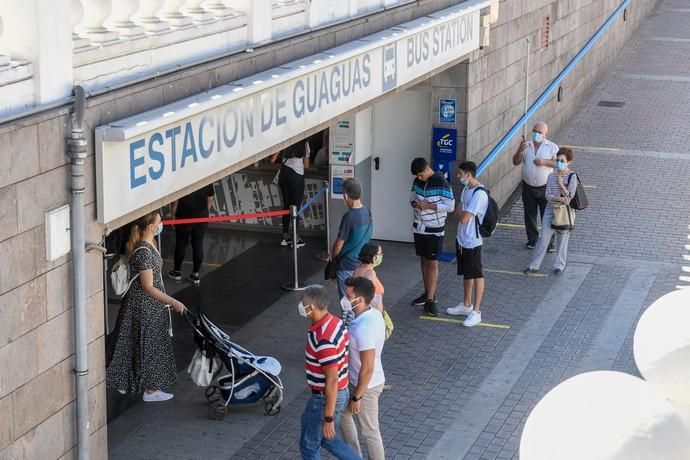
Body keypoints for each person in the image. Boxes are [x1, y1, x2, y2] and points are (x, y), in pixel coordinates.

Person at [107, 211, 186, 402]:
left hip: (148, 306)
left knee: (135, 345)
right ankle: (149, 390)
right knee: (145, 346)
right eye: (159, 221)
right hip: (144, 307)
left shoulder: (149, 244)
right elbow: (148, 286)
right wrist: (172, 301)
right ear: (151, 227)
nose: (161, 224)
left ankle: (137, 384)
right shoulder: (144, 251)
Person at [298, 285, 361, 460]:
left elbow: (331, 379)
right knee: (328, 439)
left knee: (309, 445)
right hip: (339, 392)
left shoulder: (323, 338)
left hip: (324, 397)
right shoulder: (335, 322)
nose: (300, 306)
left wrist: (328, 417)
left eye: (303, 303)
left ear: (311, 307)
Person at [340, 277, 386, 460]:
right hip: (365, 382)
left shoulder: (363, 328)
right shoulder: (372, 312)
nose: (344, 298)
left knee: (370, 431)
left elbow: (367, 367)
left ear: (359, 300)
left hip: (366, 386)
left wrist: (357, 396)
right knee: (343, 416)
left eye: (348, 295)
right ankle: (353, 455)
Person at [409, 157, 455, 316]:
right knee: (423, 259)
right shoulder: (417, 181)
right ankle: (428, 292)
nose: (419, 178)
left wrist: (428, 206)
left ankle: (431, 300)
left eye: (421, 175)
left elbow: (450, 206)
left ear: (428, 169)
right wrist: (415, 203)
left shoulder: (442, 182)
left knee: (433, 262)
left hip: (434, 229)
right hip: (419, 227)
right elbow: (412, 196)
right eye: (417, 176)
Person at [446, 161, 488, 328]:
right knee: (466, 273)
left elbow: (463, 217)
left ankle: (476, 311)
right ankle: (466, 303)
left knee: (477, 274)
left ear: (468, 175)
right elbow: (458, 209)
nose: (458, 176)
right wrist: (461, 212)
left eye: (460, 173)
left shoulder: (479, 194)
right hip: (462, 238)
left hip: (473, 240)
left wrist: (461, 213)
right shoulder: (466, 189)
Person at [524, 148, 578, 275]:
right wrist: (558, 198)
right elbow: (547, 195)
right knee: (543, 238)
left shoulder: (572, 177)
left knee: (562, 239)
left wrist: (561, 184)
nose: (559, 163)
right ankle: (534, 265)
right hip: (550, 210)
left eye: (562, 161)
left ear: (568, 162)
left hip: (564, 213)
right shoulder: (551, 175)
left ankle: (559, 265)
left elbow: (569, 197)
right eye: (557, 160)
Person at [331, 179, 372, 326]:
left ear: (346, 196)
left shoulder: (348, 217)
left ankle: (349, 334)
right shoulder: (367, 211)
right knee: (360, 300)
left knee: (348, 304)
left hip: (346, 265)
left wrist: (333, 257)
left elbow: (339, 244)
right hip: (361, 265)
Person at [512, 122, 559, 251]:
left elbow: (560, 165)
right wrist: (519, 150)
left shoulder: (552, 147)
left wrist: (544, 162)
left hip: (545, 187)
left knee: (547, 215)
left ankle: (549, 243)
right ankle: (532, 239)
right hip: (528, 187)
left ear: (545, 134)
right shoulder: (526, 146)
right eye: (535, 131)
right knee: (529, 214)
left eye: (540, 132)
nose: (536, 134)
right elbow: (515, 162)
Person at [168, 184, 215, 285]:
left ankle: (177, 272)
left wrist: (172, 217)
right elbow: (210, 198)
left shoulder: (182, 178)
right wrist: (205, 213)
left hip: (183, 215)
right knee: (198, 243)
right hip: (201, 215)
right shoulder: (205, 177)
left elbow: (174, 201)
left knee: (181, 243)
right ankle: (195, 275)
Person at [271, 141, 310, 248]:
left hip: (284, 175)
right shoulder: (305, 143)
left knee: (286, 205)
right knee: (295, 207)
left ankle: (285, 236)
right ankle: (295, 238)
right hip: (297, 176)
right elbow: (306, 165)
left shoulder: (284, 140)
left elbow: (272, 160)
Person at [353, 243, 385, 312]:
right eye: (380, 254)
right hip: (372, 313)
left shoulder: (357, 270)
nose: (382, 255)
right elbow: (367, 296)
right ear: (374, 257)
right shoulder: (370, 273)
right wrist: (379, 312)